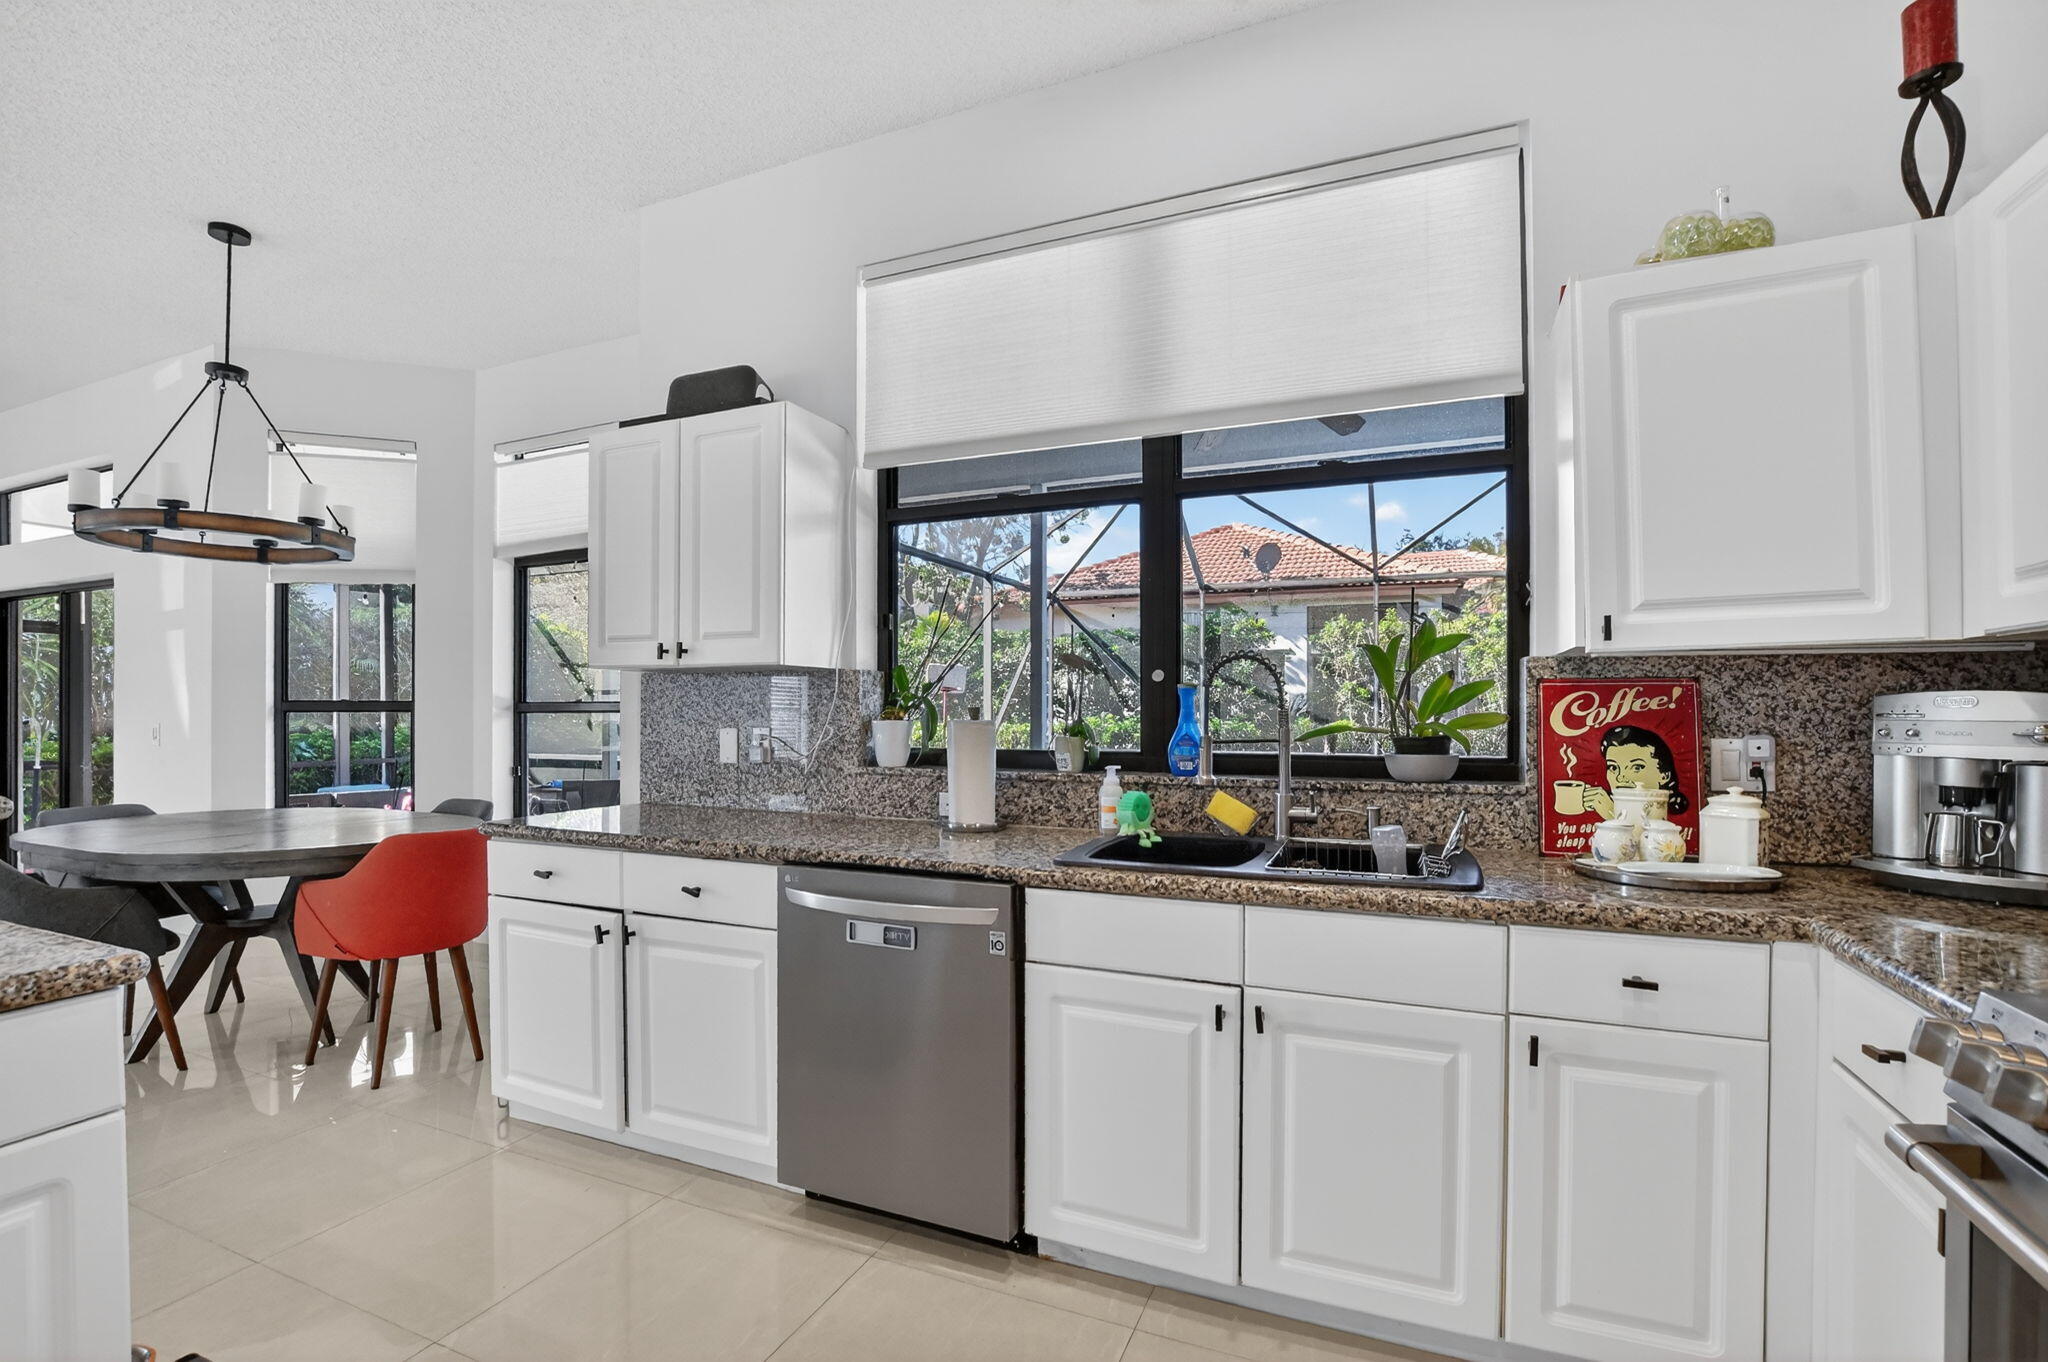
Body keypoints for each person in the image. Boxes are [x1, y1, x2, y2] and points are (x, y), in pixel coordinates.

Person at [1582, 723, 1692, 819]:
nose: (1620, 777)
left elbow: (1646, 840)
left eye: (1636, 767)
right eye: (1613, 768)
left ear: (1664, 775)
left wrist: (1612, 816)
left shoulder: (1674, 821)